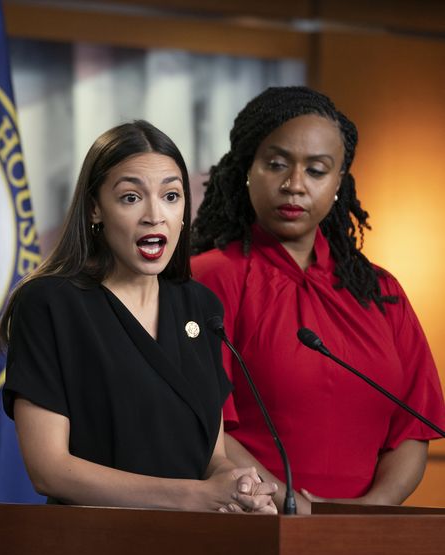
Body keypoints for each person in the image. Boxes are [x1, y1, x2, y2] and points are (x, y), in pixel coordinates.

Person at [0, 120, 276, 555]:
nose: (155, 215)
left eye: (171, 196)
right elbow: (50, 469)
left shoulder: (200, 306)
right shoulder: (51, 303)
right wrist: (195, 496)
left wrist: (237, 484)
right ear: (94, 209)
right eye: (131, 197)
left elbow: (211, 454)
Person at [191, 86, 445, 514]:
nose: (294, 185)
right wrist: (294, 510)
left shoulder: (382, 292)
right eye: (276, 165)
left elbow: (411, 431)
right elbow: (204, 427)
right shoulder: (209, 278)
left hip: (357, 545)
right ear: (246, 170)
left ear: (339, 181)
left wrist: (366, 513)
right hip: (250, 528)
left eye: (317, 170)